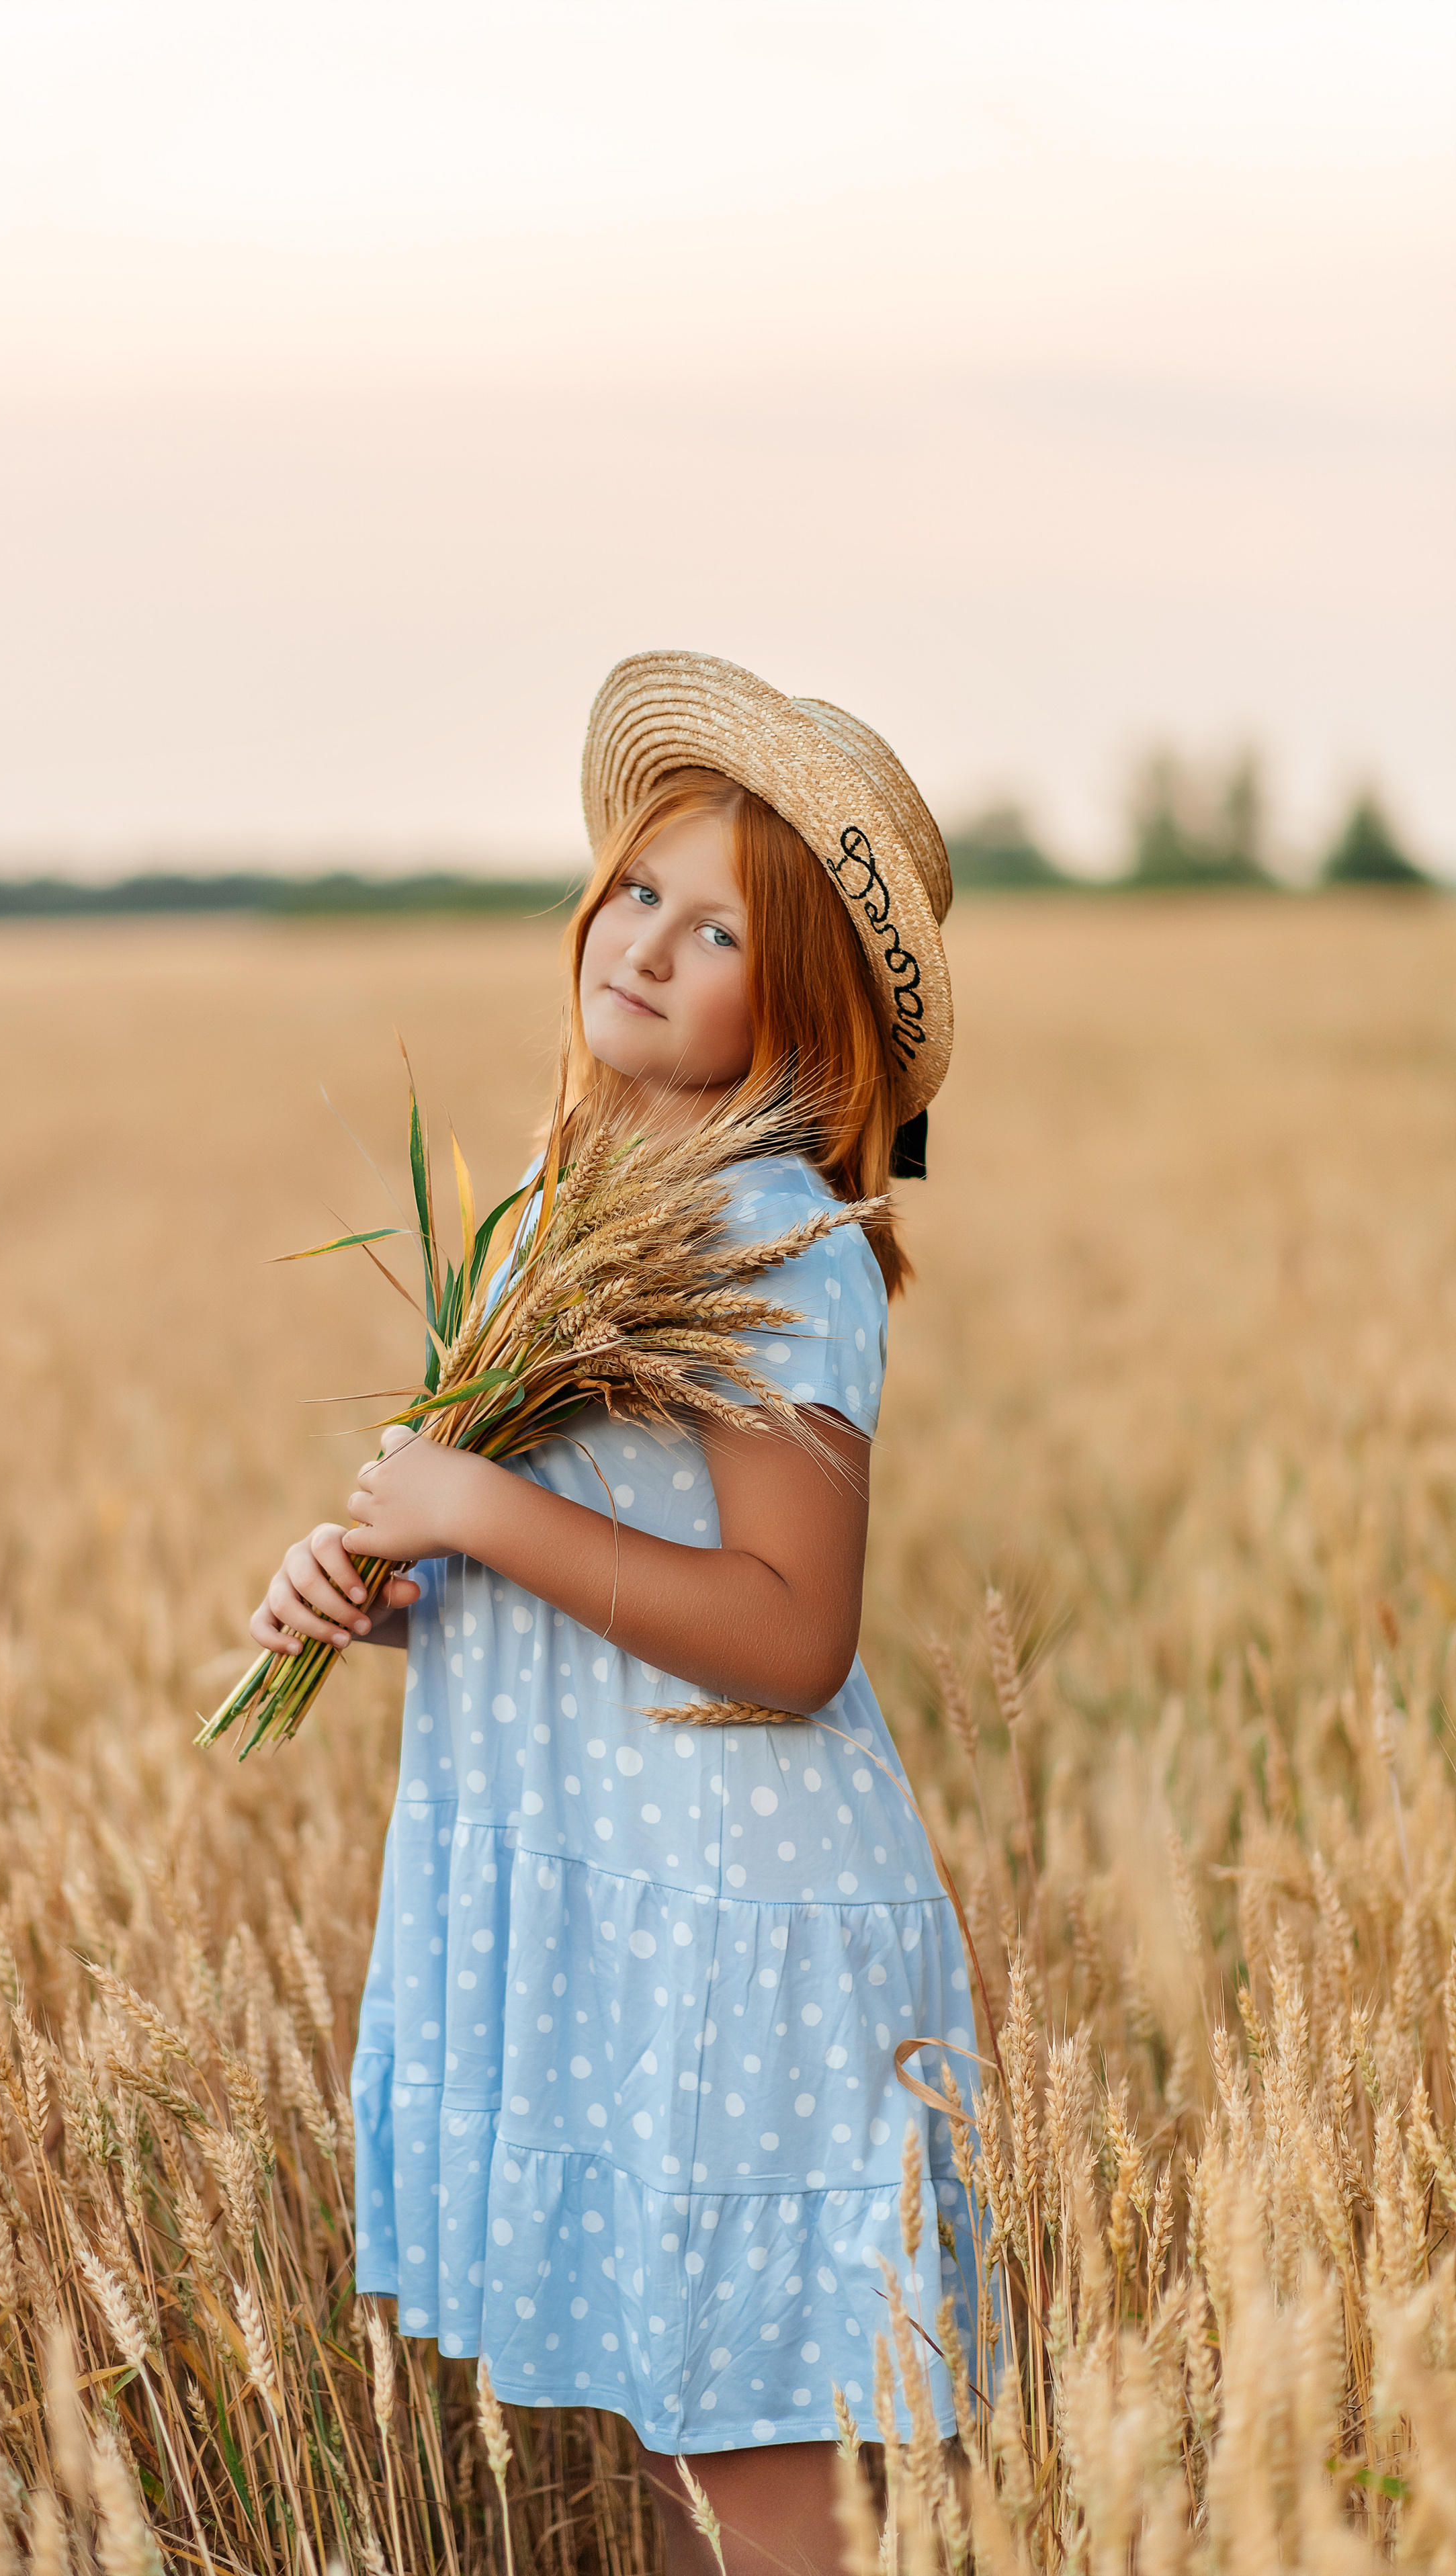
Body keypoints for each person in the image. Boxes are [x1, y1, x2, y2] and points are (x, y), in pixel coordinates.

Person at [251, 653, 976, 2575]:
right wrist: (387, 1588)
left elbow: (787, 1626)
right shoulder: (591, 1200)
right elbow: (582, 1572)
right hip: (625, 1896)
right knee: (687, 2474)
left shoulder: (774, 1236)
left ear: (800, 1005)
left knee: (763, 2506)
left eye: (720, 926)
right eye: (640, 887)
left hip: (735, 1921)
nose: (648, 941)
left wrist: (475, 1496)